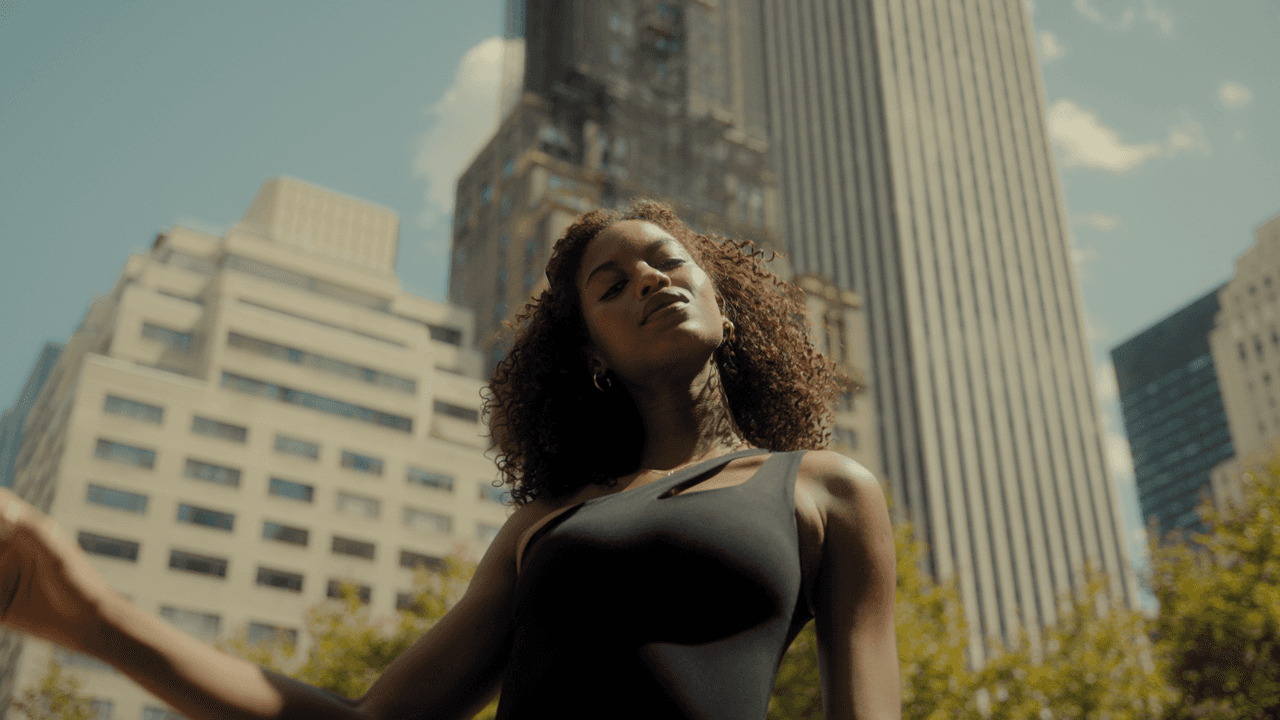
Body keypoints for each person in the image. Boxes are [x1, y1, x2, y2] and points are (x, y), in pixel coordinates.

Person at [0, 199, 900, 719]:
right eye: (612, 286)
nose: (650, 282)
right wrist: (96, 619)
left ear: (724, 305)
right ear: (592, 355)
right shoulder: (548, 525)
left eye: (668, 264)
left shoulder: (825, 490)